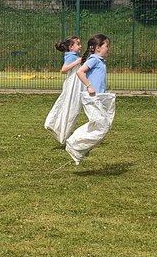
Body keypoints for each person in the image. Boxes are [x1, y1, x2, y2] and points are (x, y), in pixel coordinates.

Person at [66, 34, 116, 165]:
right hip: (91, 98)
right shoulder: (94, 59)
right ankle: (74, 143)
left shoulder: (100, 61)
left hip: (97, 98)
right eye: (107, 46)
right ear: (98, 48)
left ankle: (78, 148)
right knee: (101, 125)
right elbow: (80, 72)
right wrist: (89, 86)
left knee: (101, 125)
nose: (108, 49)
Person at [43, 35, 83, 144]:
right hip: (71, 86)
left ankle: (58, 127)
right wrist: (78, 61)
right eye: (78, 44)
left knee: (68, 106)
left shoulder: (74, 55)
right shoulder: (71, 56)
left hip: (74, 85)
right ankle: (53, 124)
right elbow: (63, 69)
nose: (80, 46)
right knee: (67, 106)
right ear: (71, 47)